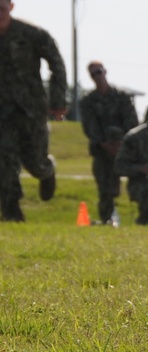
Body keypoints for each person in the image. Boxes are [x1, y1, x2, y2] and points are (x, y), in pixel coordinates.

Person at [0, 0, 66, 222]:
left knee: (34, 161)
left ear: (11, 7)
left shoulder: (32, 34)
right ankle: (11, 211)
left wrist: (57, 100)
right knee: (5, 160)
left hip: (31, 109)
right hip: (2, 113)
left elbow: (56, 63)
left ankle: (47, 171)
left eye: (1, 7)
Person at [79, 62, 138, 225]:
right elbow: (89, 126)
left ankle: (142, 219)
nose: (97, 76)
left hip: (126, 150)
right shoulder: (88, 101)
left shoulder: (121, 96)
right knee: (105, 191)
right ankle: (107, 220)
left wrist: (122, 143)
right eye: (93, 74)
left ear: (105, 71)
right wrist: (104, 144)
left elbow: (131, 121)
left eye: (99, 72)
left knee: (137, 183)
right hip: (101, 151)